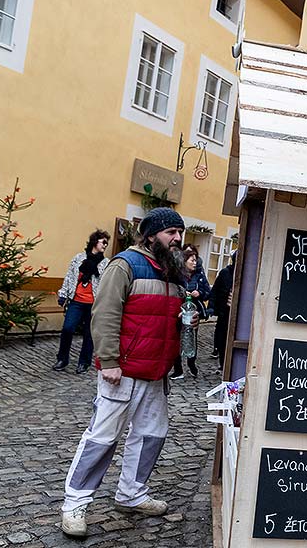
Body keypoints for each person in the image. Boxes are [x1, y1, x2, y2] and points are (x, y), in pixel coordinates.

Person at [60, 208, 196, 538]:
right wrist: (108, 361)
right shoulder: (125, 264)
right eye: (170, 232)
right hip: (122, 371)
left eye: (180, 231)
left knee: (152, 434)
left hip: (156, 371)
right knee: (102, 438)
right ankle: (74, 503)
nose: (177, 238)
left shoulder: (171, 270)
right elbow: (104, 313)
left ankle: (131, 493)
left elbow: (165, 316)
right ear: (151, 235)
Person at [53, 230, 110, 374]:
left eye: (107, 243)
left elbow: (107, 284)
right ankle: (62, 359)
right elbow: (69, 277)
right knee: (68, 328)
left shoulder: (106, 263)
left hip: (94, 303)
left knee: (89, 333)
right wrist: (63, 294)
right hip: (76, 301)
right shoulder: (79, 258)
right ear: (94, 242)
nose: (105, 245)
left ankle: (84, 362)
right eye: (103, 242)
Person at [170, 245, 211, 380]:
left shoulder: (199, 275)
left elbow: (207, 293)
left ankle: (191, 363)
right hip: (179, 310)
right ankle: (178, 369)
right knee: (176, 339)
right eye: (191, 260)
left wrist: (199, 293)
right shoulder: (177, 275)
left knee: (191, 338)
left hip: (194, 312)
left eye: (195, 260)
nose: (194, 263)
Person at [209, 249, 236, 372]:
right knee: (221, 339)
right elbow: (215, 290)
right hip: (223, 312)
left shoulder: (246, 274)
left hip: (236, 314)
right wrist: (212, 307)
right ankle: (222, 362)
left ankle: (229, 363)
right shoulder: (225, 273)